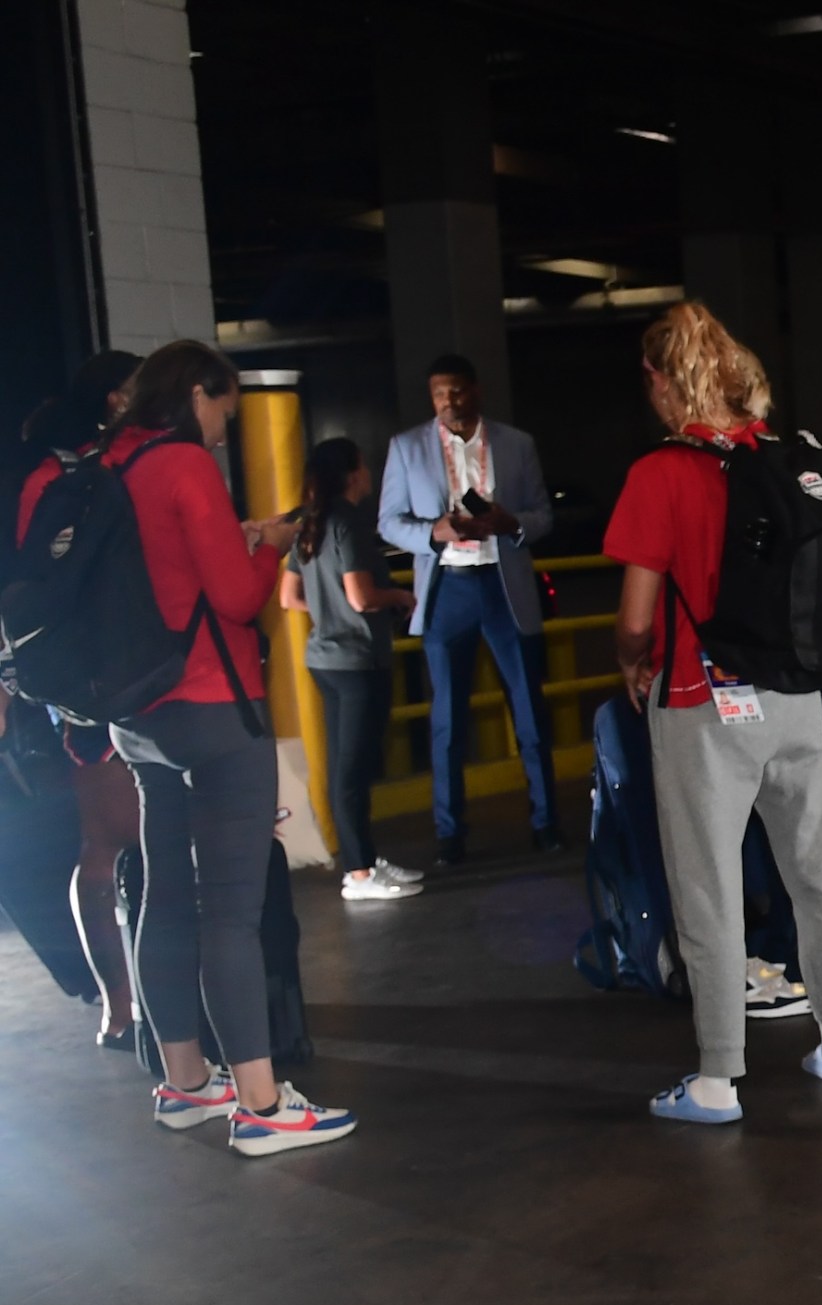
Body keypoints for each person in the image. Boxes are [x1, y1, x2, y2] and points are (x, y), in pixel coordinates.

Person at [14, 340, 354, 1154]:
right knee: (230, 911)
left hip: (137, 714)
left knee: (161, 892)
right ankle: (265, 1105)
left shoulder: (111, 462)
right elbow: (236, 597)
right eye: (222, 413)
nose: (220, 431)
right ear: (198, 393)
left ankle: (185, 1083)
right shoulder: (181, 465)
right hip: (212, 705)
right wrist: (268, 543)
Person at [604, 301, 822, 1123]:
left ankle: (718, 1077)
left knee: (709, 891)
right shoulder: (778, 460)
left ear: (660, 377)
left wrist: (630, 659)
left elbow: (637, 616)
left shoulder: (662, 473)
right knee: (818, 876)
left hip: (702, 703)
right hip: (797, 695)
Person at [15, 350, 147, 1047]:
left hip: (142, 672)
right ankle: (118, 1005)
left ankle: (144, 1002)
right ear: (112, 397)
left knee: (134, 844)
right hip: (86, 685)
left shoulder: (129, 462)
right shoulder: (57, 474)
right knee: (107, 844)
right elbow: (32, 587)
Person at [379, 352, 558, 866]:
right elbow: (389, 522)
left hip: (504, 588)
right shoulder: (407, 447)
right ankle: (449, 835)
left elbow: (544, 515)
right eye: (438, 394)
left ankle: (547, 823)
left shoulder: (516, 443)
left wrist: (510, 523)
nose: (447, 402)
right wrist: (432, 533)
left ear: (475, 391)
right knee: (447, 721)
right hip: (447, 589)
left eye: (456, 392)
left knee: (529, 713)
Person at [279, 437, 420, 901]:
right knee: (353, 771)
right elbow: (361, 597)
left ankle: (362, 860)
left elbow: (289, 597)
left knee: (346, 766)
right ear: (354, 473)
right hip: (358, 659)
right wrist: (398, 597)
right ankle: (358, 872)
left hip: (325, 659)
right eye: (364, 465)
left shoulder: (310, 523)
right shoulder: (347, 523)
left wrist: (328, 613)